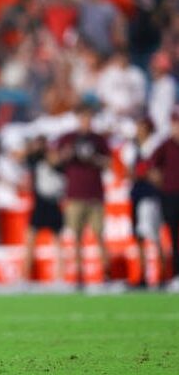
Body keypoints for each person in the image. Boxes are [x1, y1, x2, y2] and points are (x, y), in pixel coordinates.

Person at [57, 105, 110, 287]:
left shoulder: (98, 139)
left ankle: (105, 275)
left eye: (89, 117)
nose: (86, 121)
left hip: (94, 194)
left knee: (99, 235)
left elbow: (108, 162)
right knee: (77, 237)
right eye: (83, 117)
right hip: (75, 194)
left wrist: (93, 158)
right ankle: (80, 276)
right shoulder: (69, 138)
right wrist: (69, 153)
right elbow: (55, 159)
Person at [123, 118, 164, 287]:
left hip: (151, 195)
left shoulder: (155, 146)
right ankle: (142, 275)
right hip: (137, 194)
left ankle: (162, 274)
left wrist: (146, 172)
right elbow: (130, 172)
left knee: (154, 236)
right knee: (139, 237)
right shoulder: (132, 148)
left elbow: (156, 173)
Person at [23, 137, 65, 282]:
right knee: (30, 240)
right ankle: (24, 277)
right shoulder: (35, 160)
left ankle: (59, 277)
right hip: (40, 204)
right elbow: (26, 155)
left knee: (58, 241)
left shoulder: (57, 163)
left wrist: (51, 155)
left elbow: (58, 163)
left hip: (53, 202)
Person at [150, 108, 179, 290]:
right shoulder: (166, 145)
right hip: (171, 195)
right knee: (175, 237)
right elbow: (151, 166)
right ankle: (176, 275)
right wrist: (162, 183)